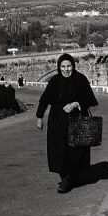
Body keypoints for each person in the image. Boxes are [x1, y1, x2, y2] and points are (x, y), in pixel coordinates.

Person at [36, 54, 98, 194]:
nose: (66, 70)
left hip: (76, 121)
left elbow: (89, 99)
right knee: (59, 151)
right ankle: (64, 180)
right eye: (63, 67)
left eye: (69, 66)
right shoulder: (54, 82)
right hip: (57, 122)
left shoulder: (80, 80)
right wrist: (39, 117)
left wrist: (75, 104)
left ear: (73, 66)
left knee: (76, 151)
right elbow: (44, 100)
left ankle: (72, 175)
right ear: (59, 67)